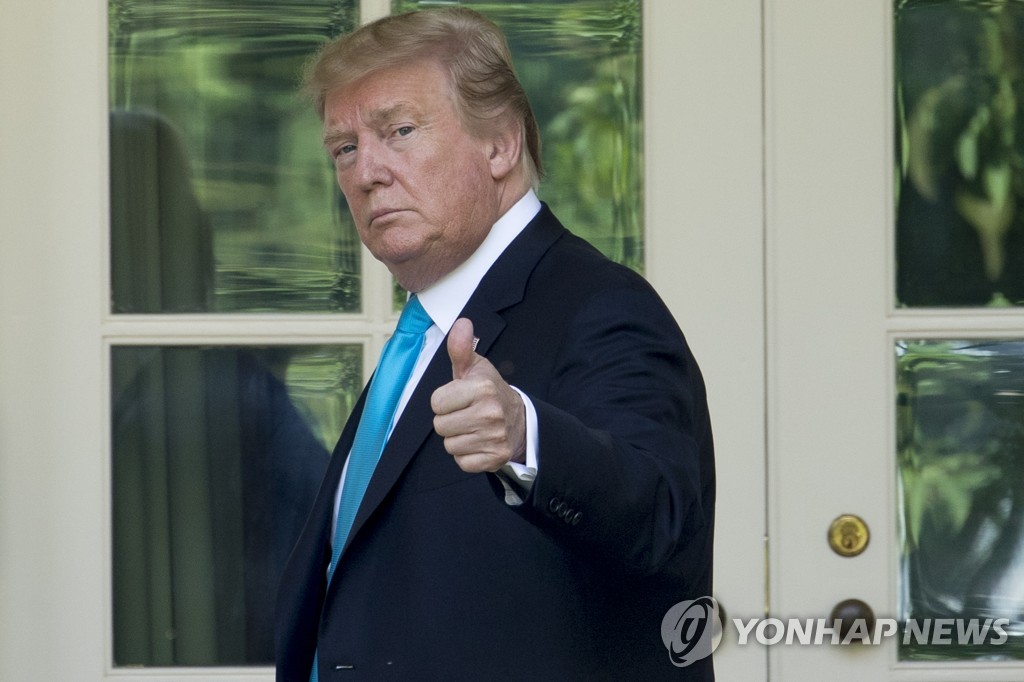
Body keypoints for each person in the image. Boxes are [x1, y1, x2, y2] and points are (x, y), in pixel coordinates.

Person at [275, 7, 715, 680]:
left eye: (400, 131)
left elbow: (660, 515)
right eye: (345, 148)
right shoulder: (425, 332)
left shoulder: (602, 304)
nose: (367, 172)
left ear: (501, 146)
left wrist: (525, 438)